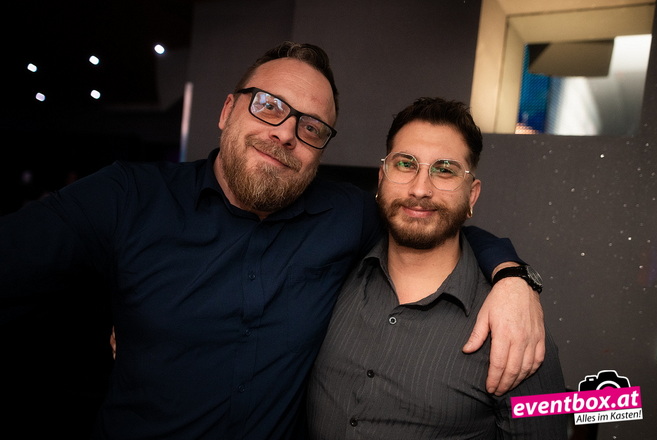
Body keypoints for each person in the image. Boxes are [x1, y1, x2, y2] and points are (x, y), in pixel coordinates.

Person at [0, 42, 543, 439]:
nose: (285, 132)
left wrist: (513, 276)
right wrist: (119, 315)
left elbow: (424, 217)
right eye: (268, 104)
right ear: (226, 111)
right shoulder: (129, 196)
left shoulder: (346, 215)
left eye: (311, 127)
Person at [306, 97, 567, 439]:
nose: (420, 189)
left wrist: (515, 278)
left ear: (471, 196)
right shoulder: (334, 271)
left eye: (444, 170)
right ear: (382, 178)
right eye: (405, 164)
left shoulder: (519, 332)